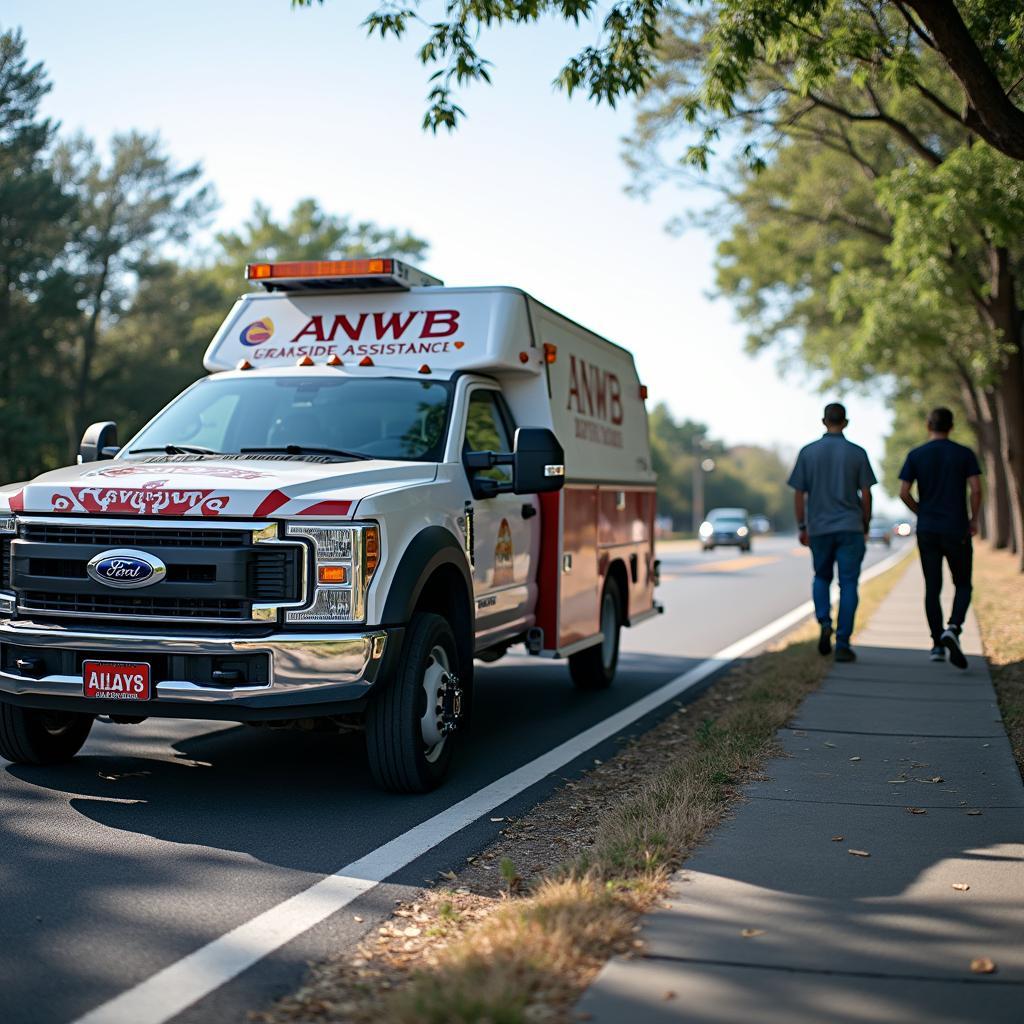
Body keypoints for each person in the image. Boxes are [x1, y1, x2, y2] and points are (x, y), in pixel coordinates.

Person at [788, 402, 876, 663]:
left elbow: (799, 493)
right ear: (845, 422)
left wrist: (802, 525)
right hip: (850, 526)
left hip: (819, 528)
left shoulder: (808, 453)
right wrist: (865, 524)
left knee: (821, 577)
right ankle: (843, 642)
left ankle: (825, 621)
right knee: (848, 584)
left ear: (823, 421)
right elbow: (867, 493)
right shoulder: (857, 453)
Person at [898, 407, 982, 670]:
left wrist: (921, 511)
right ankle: (953, 628)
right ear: (952, 426)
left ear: (928, 426)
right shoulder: (964, 453)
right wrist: (973, 519)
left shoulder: (916, 455)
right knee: (963, 584)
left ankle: (936, 644)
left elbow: (903, 492)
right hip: (956, 528)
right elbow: (976, 489)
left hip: (928, 530)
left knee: (932, 588)